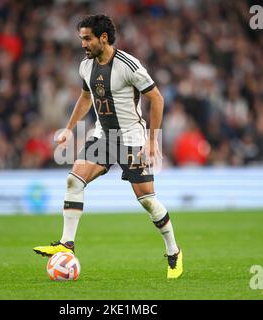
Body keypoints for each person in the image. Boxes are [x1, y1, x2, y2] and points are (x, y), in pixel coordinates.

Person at [34, 14, 183, 279]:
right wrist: (68, 129)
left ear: (103, 38)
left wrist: (152, 140)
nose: (83, 44)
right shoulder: (86, 67)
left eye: (87, 38)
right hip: (103, 136)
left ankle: (174, 252)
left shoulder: (129, 65)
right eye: (81, 38)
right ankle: (66, 244)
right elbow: (85, 97)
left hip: (132, 138)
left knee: (147, 201)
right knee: (74, 180)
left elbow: (157, 99)